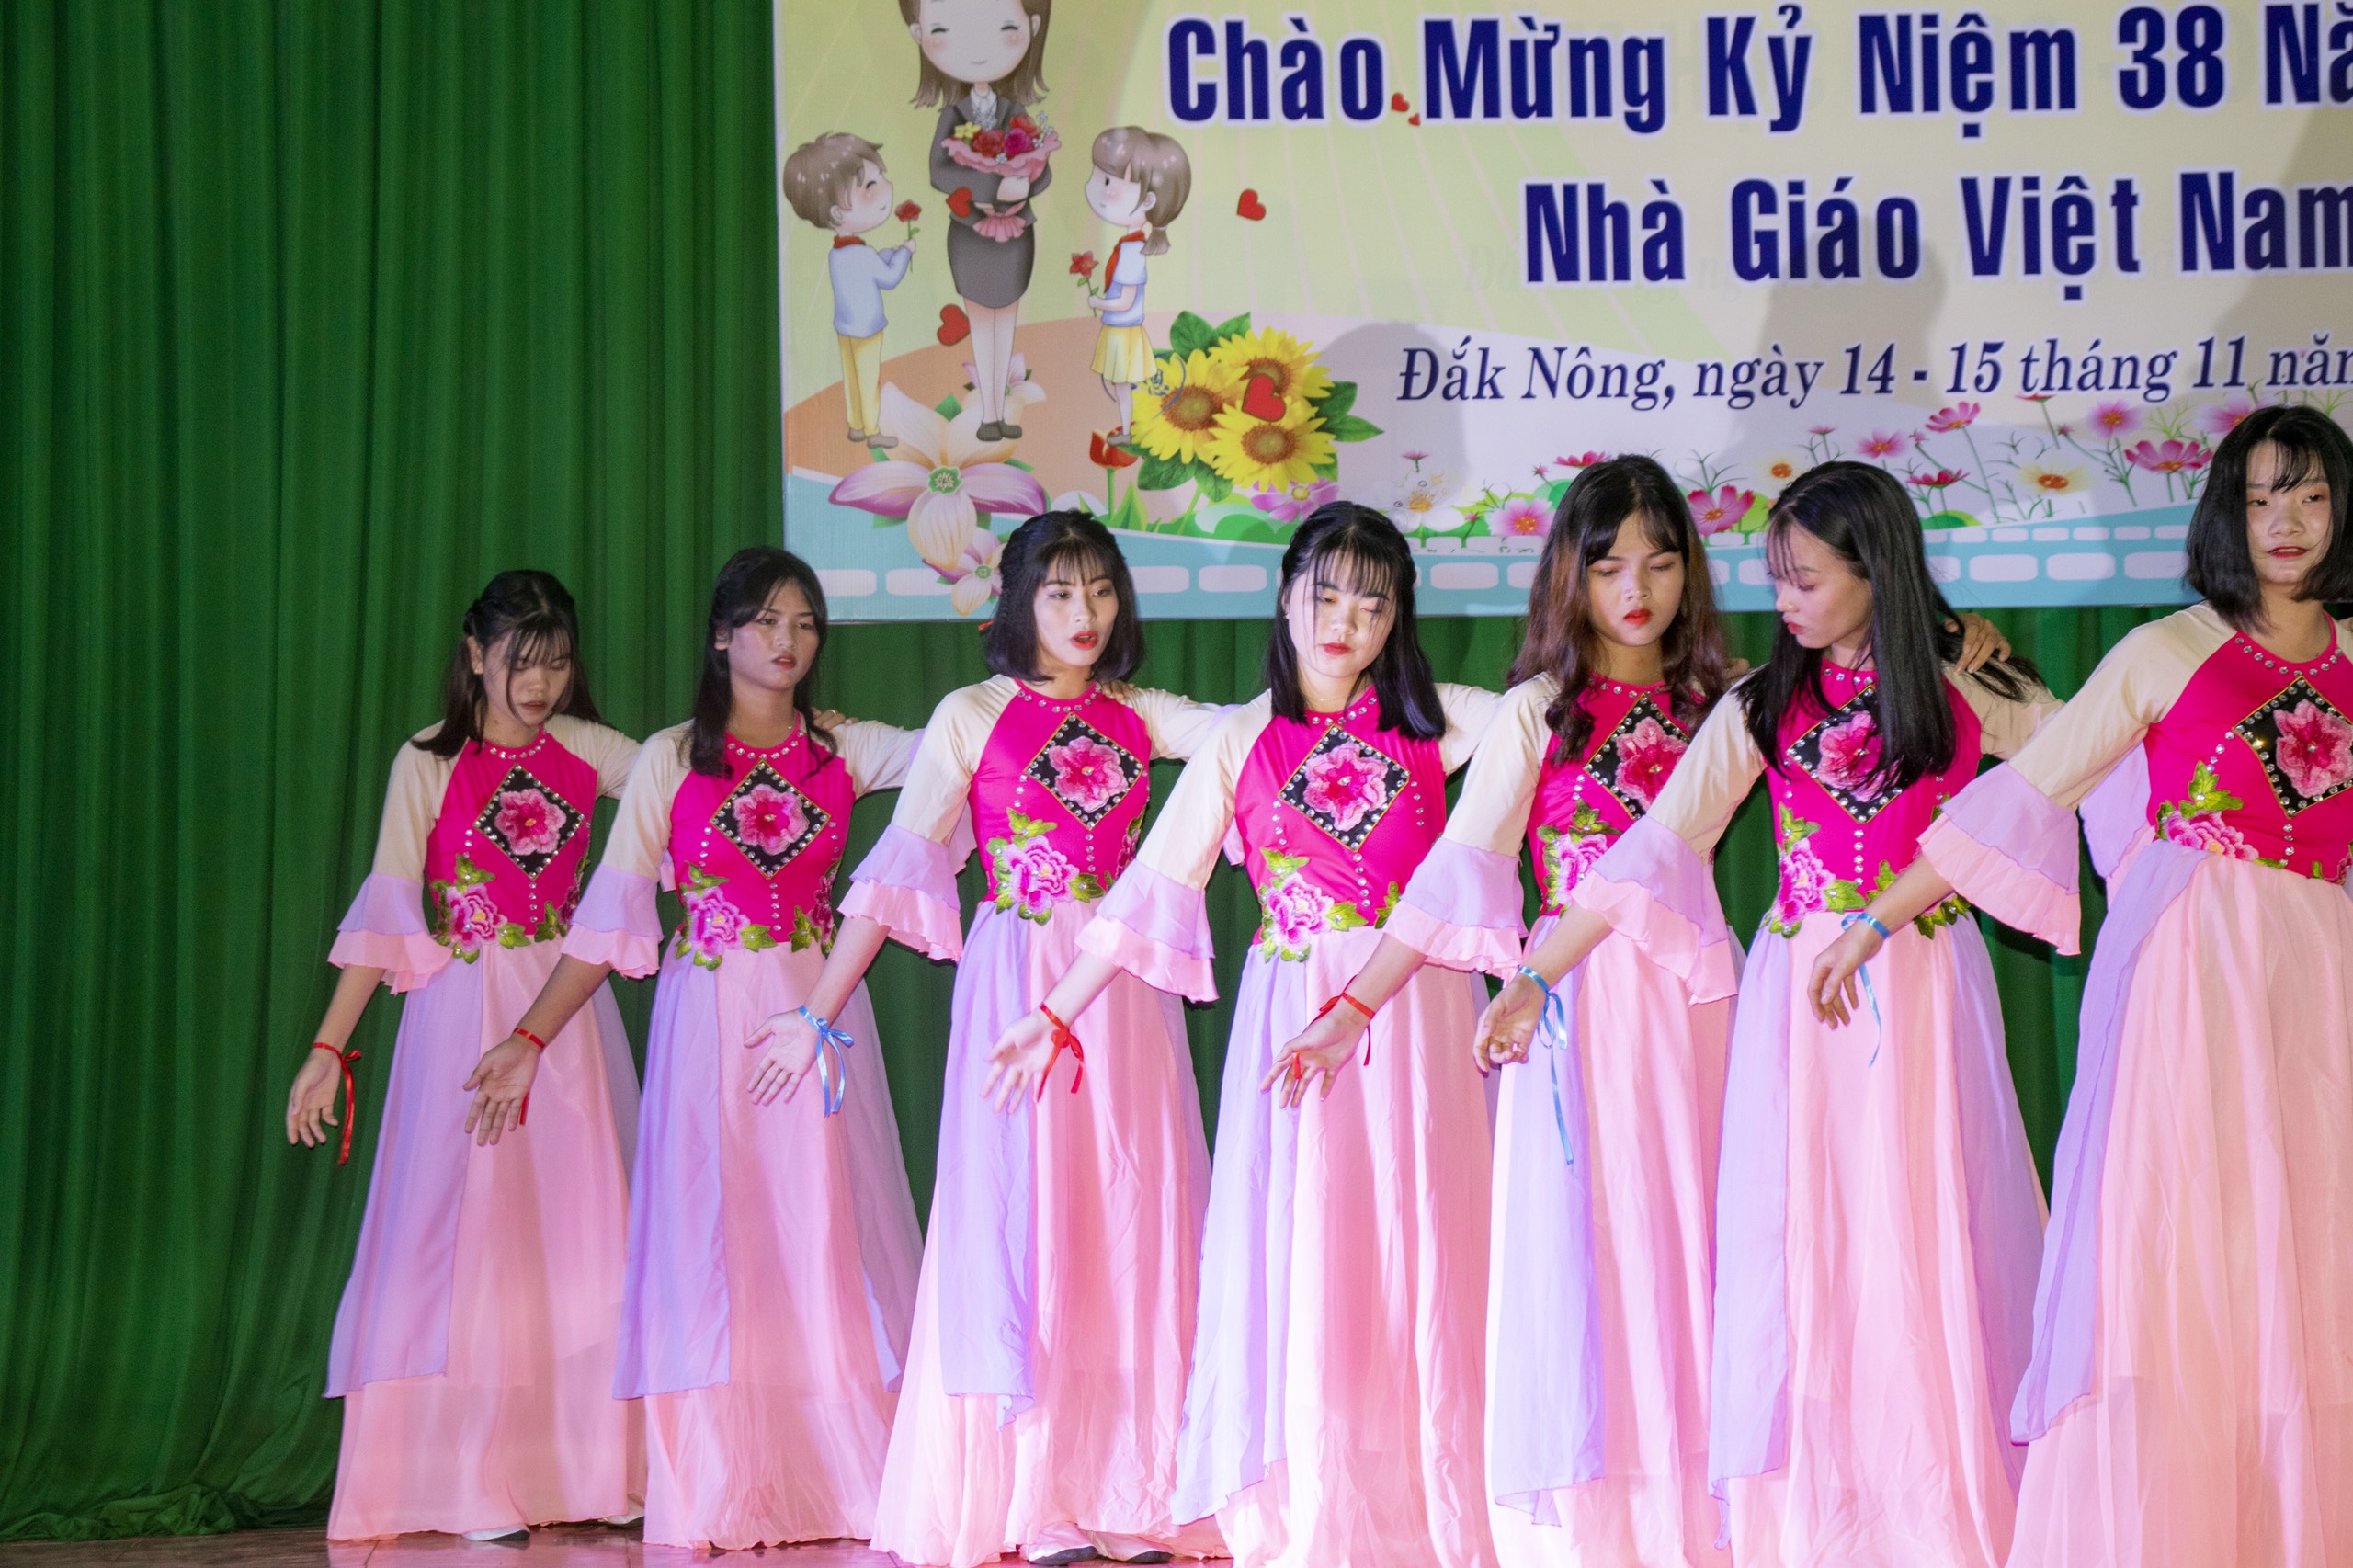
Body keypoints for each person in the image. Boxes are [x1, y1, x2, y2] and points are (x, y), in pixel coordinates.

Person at [1480, 462, 2055, 1568]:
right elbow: (1657, 845)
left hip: (1923, 982)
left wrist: (1976, 652)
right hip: (1800, 998)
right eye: (1776, 578)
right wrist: (1535, 974)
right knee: (1803, 1243)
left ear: (1873, 570)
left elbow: (2074, 760)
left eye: (1805, 579)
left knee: (1919, 1223)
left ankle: (1933, 1508)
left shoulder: (1961, 684)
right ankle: (1816, 1517)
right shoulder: (1758, 703)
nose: (1783, 601)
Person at [1819, 405, 2353, 1567]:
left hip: (2319, 973)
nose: (2285, 522)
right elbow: (2027, 790)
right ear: (2225, 514)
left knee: (2310, 1238)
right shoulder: (2164, 649)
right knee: (2181, 1239)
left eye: (2310, 496)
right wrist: (1871, 920)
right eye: (2260, 497)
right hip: (2191, 971)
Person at [998, 503, 1506, 1568]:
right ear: (1286, 596)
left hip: (1409, 1003)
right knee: (1307, 1247)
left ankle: (1429, 1495)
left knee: (1420, 1241)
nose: (1346, 621)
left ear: (1396, 619)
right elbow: (1155, 883)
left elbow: (1542, 721)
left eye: (1373, 603)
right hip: (1293, 1012)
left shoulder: (1438, 723)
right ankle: (1310, 1494)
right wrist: (1056, 1008)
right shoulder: (1241, 737)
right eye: (1326, 594)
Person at [784, 511, 1225, 1567]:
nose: (1084, 613)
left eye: (1100, 590)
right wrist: (816, 1009)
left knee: (1128, 1216)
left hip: (1119, 981)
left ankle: (1131, 1484)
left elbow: (1253, 731)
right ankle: (1035, 1494)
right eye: (1060, 591)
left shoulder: (1140, 713)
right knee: (1023, 1220)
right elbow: (899, 866)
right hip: (1017, 974)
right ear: (1020, 599)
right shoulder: (971, 714)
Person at [489, 547, 924, 1550]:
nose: (787, 640)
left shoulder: (846, 748)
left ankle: (843, 1479)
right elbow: (608, 918)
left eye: (804, 623)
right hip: (709, 1016)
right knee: (713, 1239)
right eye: (766, 621)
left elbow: (960, 751)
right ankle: (723, 1483)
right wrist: (528, 1036)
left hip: (815, 1008)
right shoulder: (670, 758)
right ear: (722, 635)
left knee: (822, 1228)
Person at [289, 570, 643, 1541]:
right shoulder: (428, 759)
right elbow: (387, 905)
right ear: (476, 654)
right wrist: (326, 1047)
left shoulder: (590, 749)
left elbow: (687, 766)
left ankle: (589, 1470)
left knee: (577, 1235)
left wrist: (793, 730)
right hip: (459, 1010)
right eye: (520, 661)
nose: (539, 683)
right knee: (465, 1240)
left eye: (556, 663)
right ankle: (459, 1481)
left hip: (559, 1019)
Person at [782, 131, 916, 448]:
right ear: (837, 213)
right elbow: (889, 278)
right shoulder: (863, 255)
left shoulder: (838, 252)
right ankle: (872, 431)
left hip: (845, 327)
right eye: (870, 185)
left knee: (852, 378)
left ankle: (855, 425)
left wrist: (889, 253)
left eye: (880, 177)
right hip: (867, 328)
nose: (885, 187)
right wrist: (905, 252)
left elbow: (867, 270)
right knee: (868, 380)